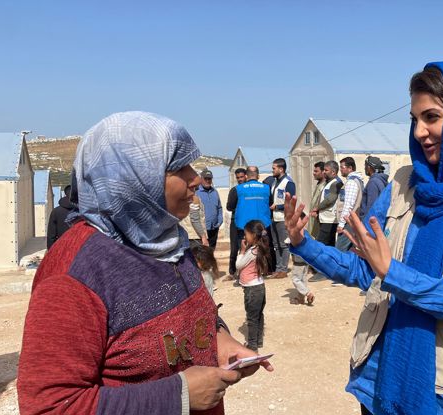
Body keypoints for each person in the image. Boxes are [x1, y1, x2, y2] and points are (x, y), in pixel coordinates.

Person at [285, 62, 443, 415]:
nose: (420, 131)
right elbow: (365, 270)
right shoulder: (404, 184)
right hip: (379, 378)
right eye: (414, 119)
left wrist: (395, 274)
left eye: (432, 117)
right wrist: (303, 244)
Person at [17, 111, 272, 415]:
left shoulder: (167, 239)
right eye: (178, 167)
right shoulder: (75, 275)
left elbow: (185, 314)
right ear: (132, 179)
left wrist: (220, 339)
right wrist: (176, 396)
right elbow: (49, 406)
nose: (194, 179)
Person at [235, 220, 269, 353]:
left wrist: (242, 251)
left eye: (246, 234)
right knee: (259, 315)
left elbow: (238, 265)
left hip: (252, 290)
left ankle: (252, 345)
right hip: (260, 287)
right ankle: (258, 341)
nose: (245, 237)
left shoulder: (251, 252)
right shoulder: (259, 249)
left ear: (254, 235)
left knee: (252, 318)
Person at [234, 166, 272, 275]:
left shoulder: (238, 189)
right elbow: (270, 203)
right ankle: (262, 271)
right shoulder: (266, 188)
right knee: (262, 248)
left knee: (244, 248)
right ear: (258, 175)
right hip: (262, 225)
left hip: (243, 225)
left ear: (246, 176)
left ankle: (242, 273)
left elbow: (230, 206)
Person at [264, 158, 296, 279]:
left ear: (281, 169)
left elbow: (292, 201)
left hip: (283, 218)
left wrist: (278, 206)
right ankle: (278, 268)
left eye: (274, 168)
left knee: (284, 244)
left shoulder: (288, 183)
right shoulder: (274, 182)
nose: (272, 170)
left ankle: (284, 269)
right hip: (274, 218)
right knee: (276, 244)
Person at [335, 157, 364, 252]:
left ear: (350, 168)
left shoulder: (351, 182)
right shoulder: (357, 180)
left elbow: (348, 205)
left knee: (340, 250)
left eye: (342, 167)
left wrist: (342, 224)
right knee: (350, 251)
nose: (340, 170)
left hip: (348, 222)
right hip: (352, 221)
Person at [311, 160, 342, 247]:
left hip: (330, 220)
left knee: (319, 245)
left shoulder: (336, 183)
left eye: (326, 170)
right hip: (325, 219)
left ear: (333, 172)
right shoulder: (329, 183)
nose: (324, 172)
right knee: (329, 246)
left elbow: (330, 199)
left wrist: (317, 208)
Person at [226, 168, 248, 277]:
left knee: (247, 246)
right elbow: (229, 207)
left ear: (246, 176)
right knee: (234, 246)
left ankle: (246, 270)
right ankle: (232, 271)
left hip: (248, 222)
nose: (240, 179)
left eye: (241, 177)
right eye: (238, 177)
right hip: (236, 221)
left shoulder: (248, 190)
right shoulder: (235, 190)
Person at [197, 169, 223, 251]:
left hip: (214, 228)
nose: (208, 181)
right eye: (206, 179)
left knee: (211, 251)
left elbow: (219, 207)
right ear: (201, 179)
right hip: (202, 230)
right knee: (202, 253)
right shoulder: (196, 192)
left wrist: (220, 221)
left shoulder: (215, 192)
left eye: (209, 179)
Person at [46, 184, 75, 249]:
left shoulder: (56, 211)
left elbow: (51, 235)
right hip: (79, 249)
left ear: (65, 194)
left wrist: (51, 251)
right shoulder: (82, 211)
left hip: (61, 248)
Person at [308, 161, 327, 239]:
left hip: (319, 220)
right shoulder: (319, 184)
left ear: (323, 172)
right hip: (313, 220)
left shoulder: (325, 186)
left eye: (316, 171)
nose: (314, 173)